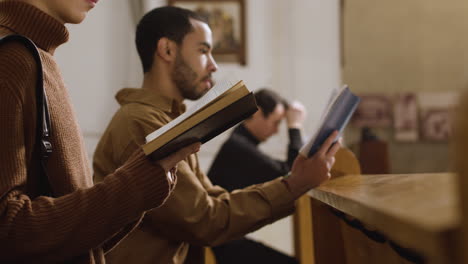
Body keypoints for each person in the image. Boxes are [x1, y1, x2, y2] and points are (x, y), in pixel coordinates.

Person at [93, 6, 341, 264]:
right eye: (203, 51)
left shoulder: (168, 122)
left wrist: (294, 181)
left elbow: (214, 201)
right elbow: (205, 221)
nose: (213, 66)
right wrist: (296, 184)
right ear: (167, 50)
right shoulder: (142, 123)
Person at [0, 1, 198, 263]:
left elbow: (74, 242)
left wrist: (138, 188)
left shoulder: (39, 57)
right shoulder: (11, 60)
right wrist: (132, 186)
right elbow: (8, 231)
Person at [207, 89, 306, 264]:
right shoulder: (237, 147)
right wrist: (295, 127)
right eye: (276, 123)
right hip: (217, 245)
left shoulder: (239, 144)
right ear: (258, 112)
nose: (276, 131)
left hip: (222, 239)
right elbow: (292, 173)